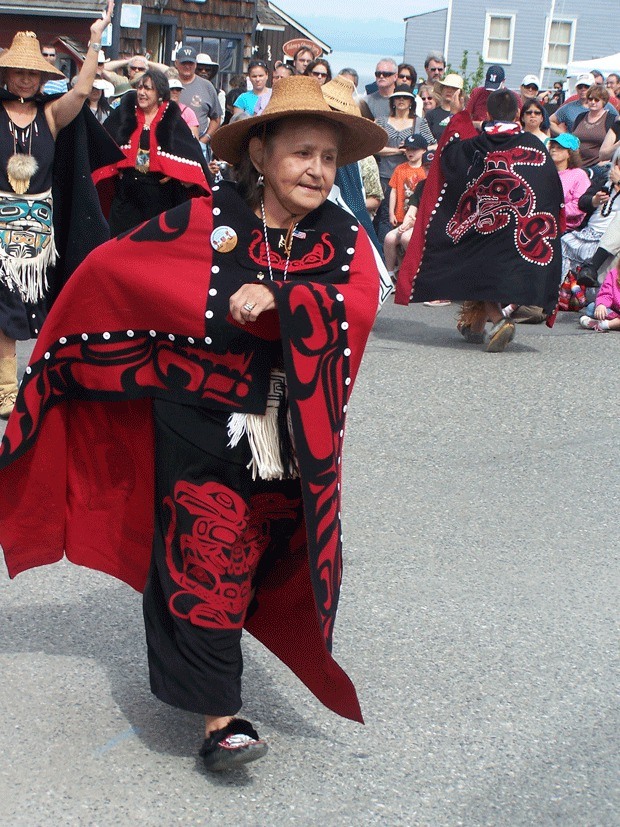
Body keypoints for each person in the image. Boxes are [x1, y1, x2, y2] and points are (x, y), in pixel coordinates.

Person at [0, 75, 386, 771]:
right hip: (199, 420)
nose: (317, 170)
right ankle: (222, 717)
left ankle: (215, 673)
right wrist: (63, 338)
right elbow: (119, 268)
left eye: (329, 159)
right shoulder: (205, 221)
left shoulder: (345, 239)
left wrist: (282, 299)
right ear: (261, 154)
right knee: (206, 557)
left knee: (263, 561)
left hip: (288, 438)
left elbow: (355, 309)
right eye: (302, 153)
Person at [0, 1, 117, 418]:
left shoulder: (50, 115)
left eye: (33, 73)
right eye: (19, 71)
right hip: (0, 225)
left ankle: (43, 378)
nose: (26, 79)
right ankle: (6, 389)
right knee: (5, 305)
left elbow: (83, 91)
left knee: (31, 306)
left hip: (37, 232)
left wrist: (94, 40)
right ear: (6, 73)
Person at [395, 89, 563, 352]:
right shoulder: (534, 146)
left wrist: (459, 117)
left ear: (488, 113)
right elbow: (551, 189)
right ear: (518, 114)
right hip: (522, 228)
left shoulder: (474, 146)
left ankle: (498, 320)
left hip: (488, 227)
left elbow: (448, 157)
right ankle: (474, 327)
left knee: (475, 261)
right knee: (482, 266)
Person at [102, 69, 210, 236]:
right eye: (140, 88)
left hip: (158, 195)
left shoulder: (171, 117)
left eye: (148, 88)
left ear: (160, 93)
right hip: (127, 193)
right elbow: (105, 141)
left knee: (153, 244)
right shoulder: (124, 113)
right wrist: (118, 169)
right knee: (120, 242)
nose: (142, 93)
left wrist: (175, 173)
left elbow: (189, 152)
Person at [374, 85, 433, 242]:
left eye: (405, 97)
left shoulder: (419, 122)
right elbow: (373, 146)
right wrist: (399, 150)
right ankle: (384, 256)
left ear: (411, 102)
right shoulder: (381, 121)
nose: (401, 100)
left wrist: (417, 149)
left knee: (410, 215)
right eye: (398, 97)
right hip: (386, 175)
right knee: (386, 216)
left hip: (414, 177)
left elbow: (433, 144)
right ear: (392, 101)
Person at [383, 134, 428, 280]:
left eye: (414, 149)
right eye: (408, 148)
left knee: (406, 240)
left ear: (423, 151)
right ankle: (391, 275)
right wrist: (391, 213)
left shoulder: (424, 172)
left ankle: (412, 272)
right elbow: (394, 191)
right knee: (391, 239)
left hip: (421, 221)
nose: (410, 152)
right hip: (403, 214)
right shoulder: (400, 169)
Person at [175, 45, 222, 154]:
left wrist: (205, 139)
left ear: (195, 64)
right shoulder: (168, 83)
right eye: (184, 63)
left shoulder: (207, 86)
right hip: (171, 141)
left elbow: (216, 118)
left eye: (190, 63)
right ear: (176, 63)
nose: (187, 66)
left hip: (198, 143)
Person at [550, 73, 617, 135]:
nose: (583, 89)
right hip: (575, 146)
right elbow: (550, 121)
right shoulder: (568, 107)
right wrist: (564, 136)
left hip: (600, 145)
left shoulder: (606, 106)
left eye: (586, 86)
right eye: (580, 87)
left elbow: (617, 123)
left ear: (593, 87)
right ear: (576, 88)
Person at [547, 133, 590, 231]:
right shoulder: (544, 172)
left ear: (569, 153)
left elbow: (579, 204)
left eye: (560, 148)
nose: (554, 150)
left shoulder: (579, 175)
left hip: (566, 228)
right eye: (552, 147)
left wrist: (554, 212)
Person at [571, 85, 618, 168]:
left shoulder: (611, 119)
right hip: (577, 165)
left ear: (604, 101)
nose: (593, 102)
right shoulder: (580, 117)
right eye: (590, 99)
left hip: (599, 167)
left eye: (596, 100)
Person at [579, 266, 620, 330]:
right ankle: (613, 322)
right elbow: (606, 292)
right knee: (591, 308)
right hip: (615, 310)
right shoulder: (614, 273)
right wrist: (602, 304)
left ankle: (605, 324)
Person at [425, 73, 463, 140]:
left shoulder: (464, 116)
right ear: (442, 89)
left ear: (459, 93)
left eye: (454, 88)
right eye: (447, 87)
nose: (449, 90)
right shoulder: (431, 115)